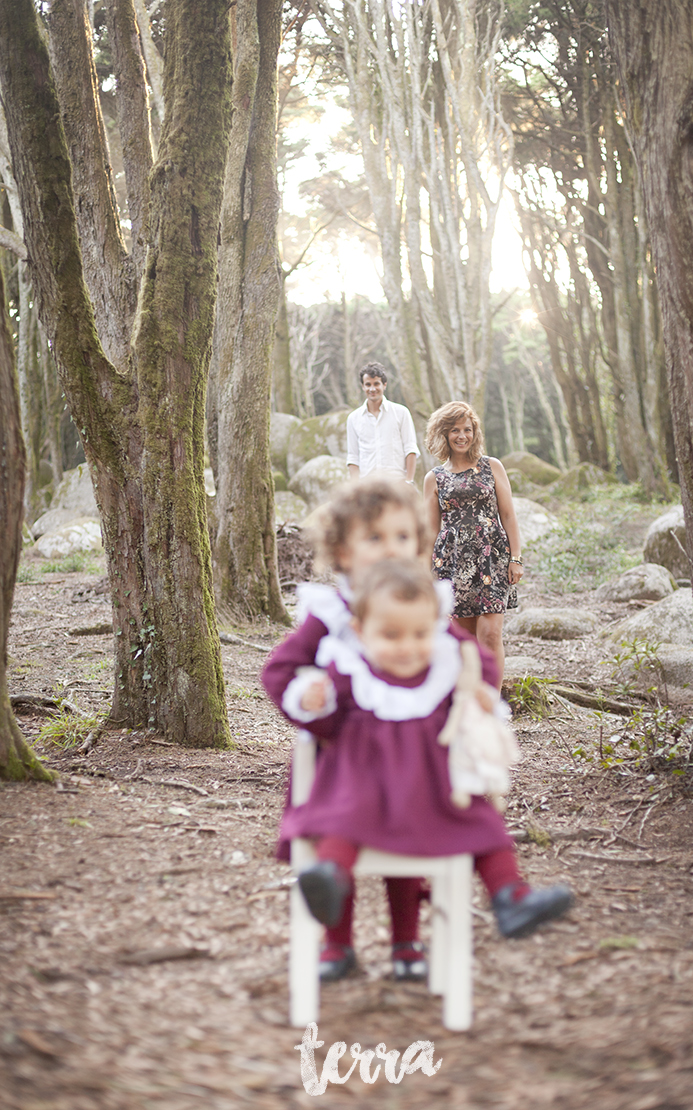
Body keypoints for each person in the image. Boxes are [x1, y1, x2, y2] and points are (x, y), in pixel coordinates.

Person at [273, 557, 574, 950]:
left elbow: (467, 711)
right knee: (342, 819)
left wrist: (480, 701)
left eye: (420, 634)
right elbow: (324, 726)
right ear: (361, 632)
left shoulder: (441, 673)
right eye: (392, 635)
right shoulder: (350, 671)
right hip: (362, 788)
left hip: (427, 793)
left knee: (483, 822)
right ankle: (330, 878)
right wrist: (315, 701)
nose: (407, 647)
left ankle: (511, 896)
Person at [264, 477, 436, 982]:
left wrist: (476, 693)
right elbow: (279, 671)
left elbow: (464, 660)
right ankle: (337, 944)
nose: (390, 551)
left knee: (404, 844)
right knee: (337, 837)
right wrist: (308, 699)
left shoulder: (422, 604)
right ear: (342, 551)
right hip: (340, 761)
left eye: (402, 538)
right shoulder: (330, 613)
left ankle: (407, 944)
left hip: (410, 758)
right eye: (374, 539)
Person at [423, 402, 523, 684]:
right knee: (464, 641)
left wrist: (516, 557)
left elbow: (508, 515)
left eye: (467, 429)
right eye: (455, 430)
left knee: (490, 634)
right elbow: (430, 530)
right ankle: (469, 701)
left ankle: (492, 702)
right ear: (444, 434)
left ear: (475, 432)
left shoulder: (492, 466)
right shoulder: (435, 478)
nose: (462, 436)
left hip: (492, 557)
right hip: (453, 564)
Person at [346, 362, 419, 483]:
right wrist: (355, 487)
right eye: (368, 384)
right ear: (363, 386)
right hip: (367, 485)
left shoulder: (401, 412)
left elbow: (410, 449)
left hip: (397, 484)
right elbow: (353, 457)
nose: (372, 389)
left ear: (384, 385)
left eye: (376, 384)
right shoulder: (353, 418)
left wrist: (408, 482)